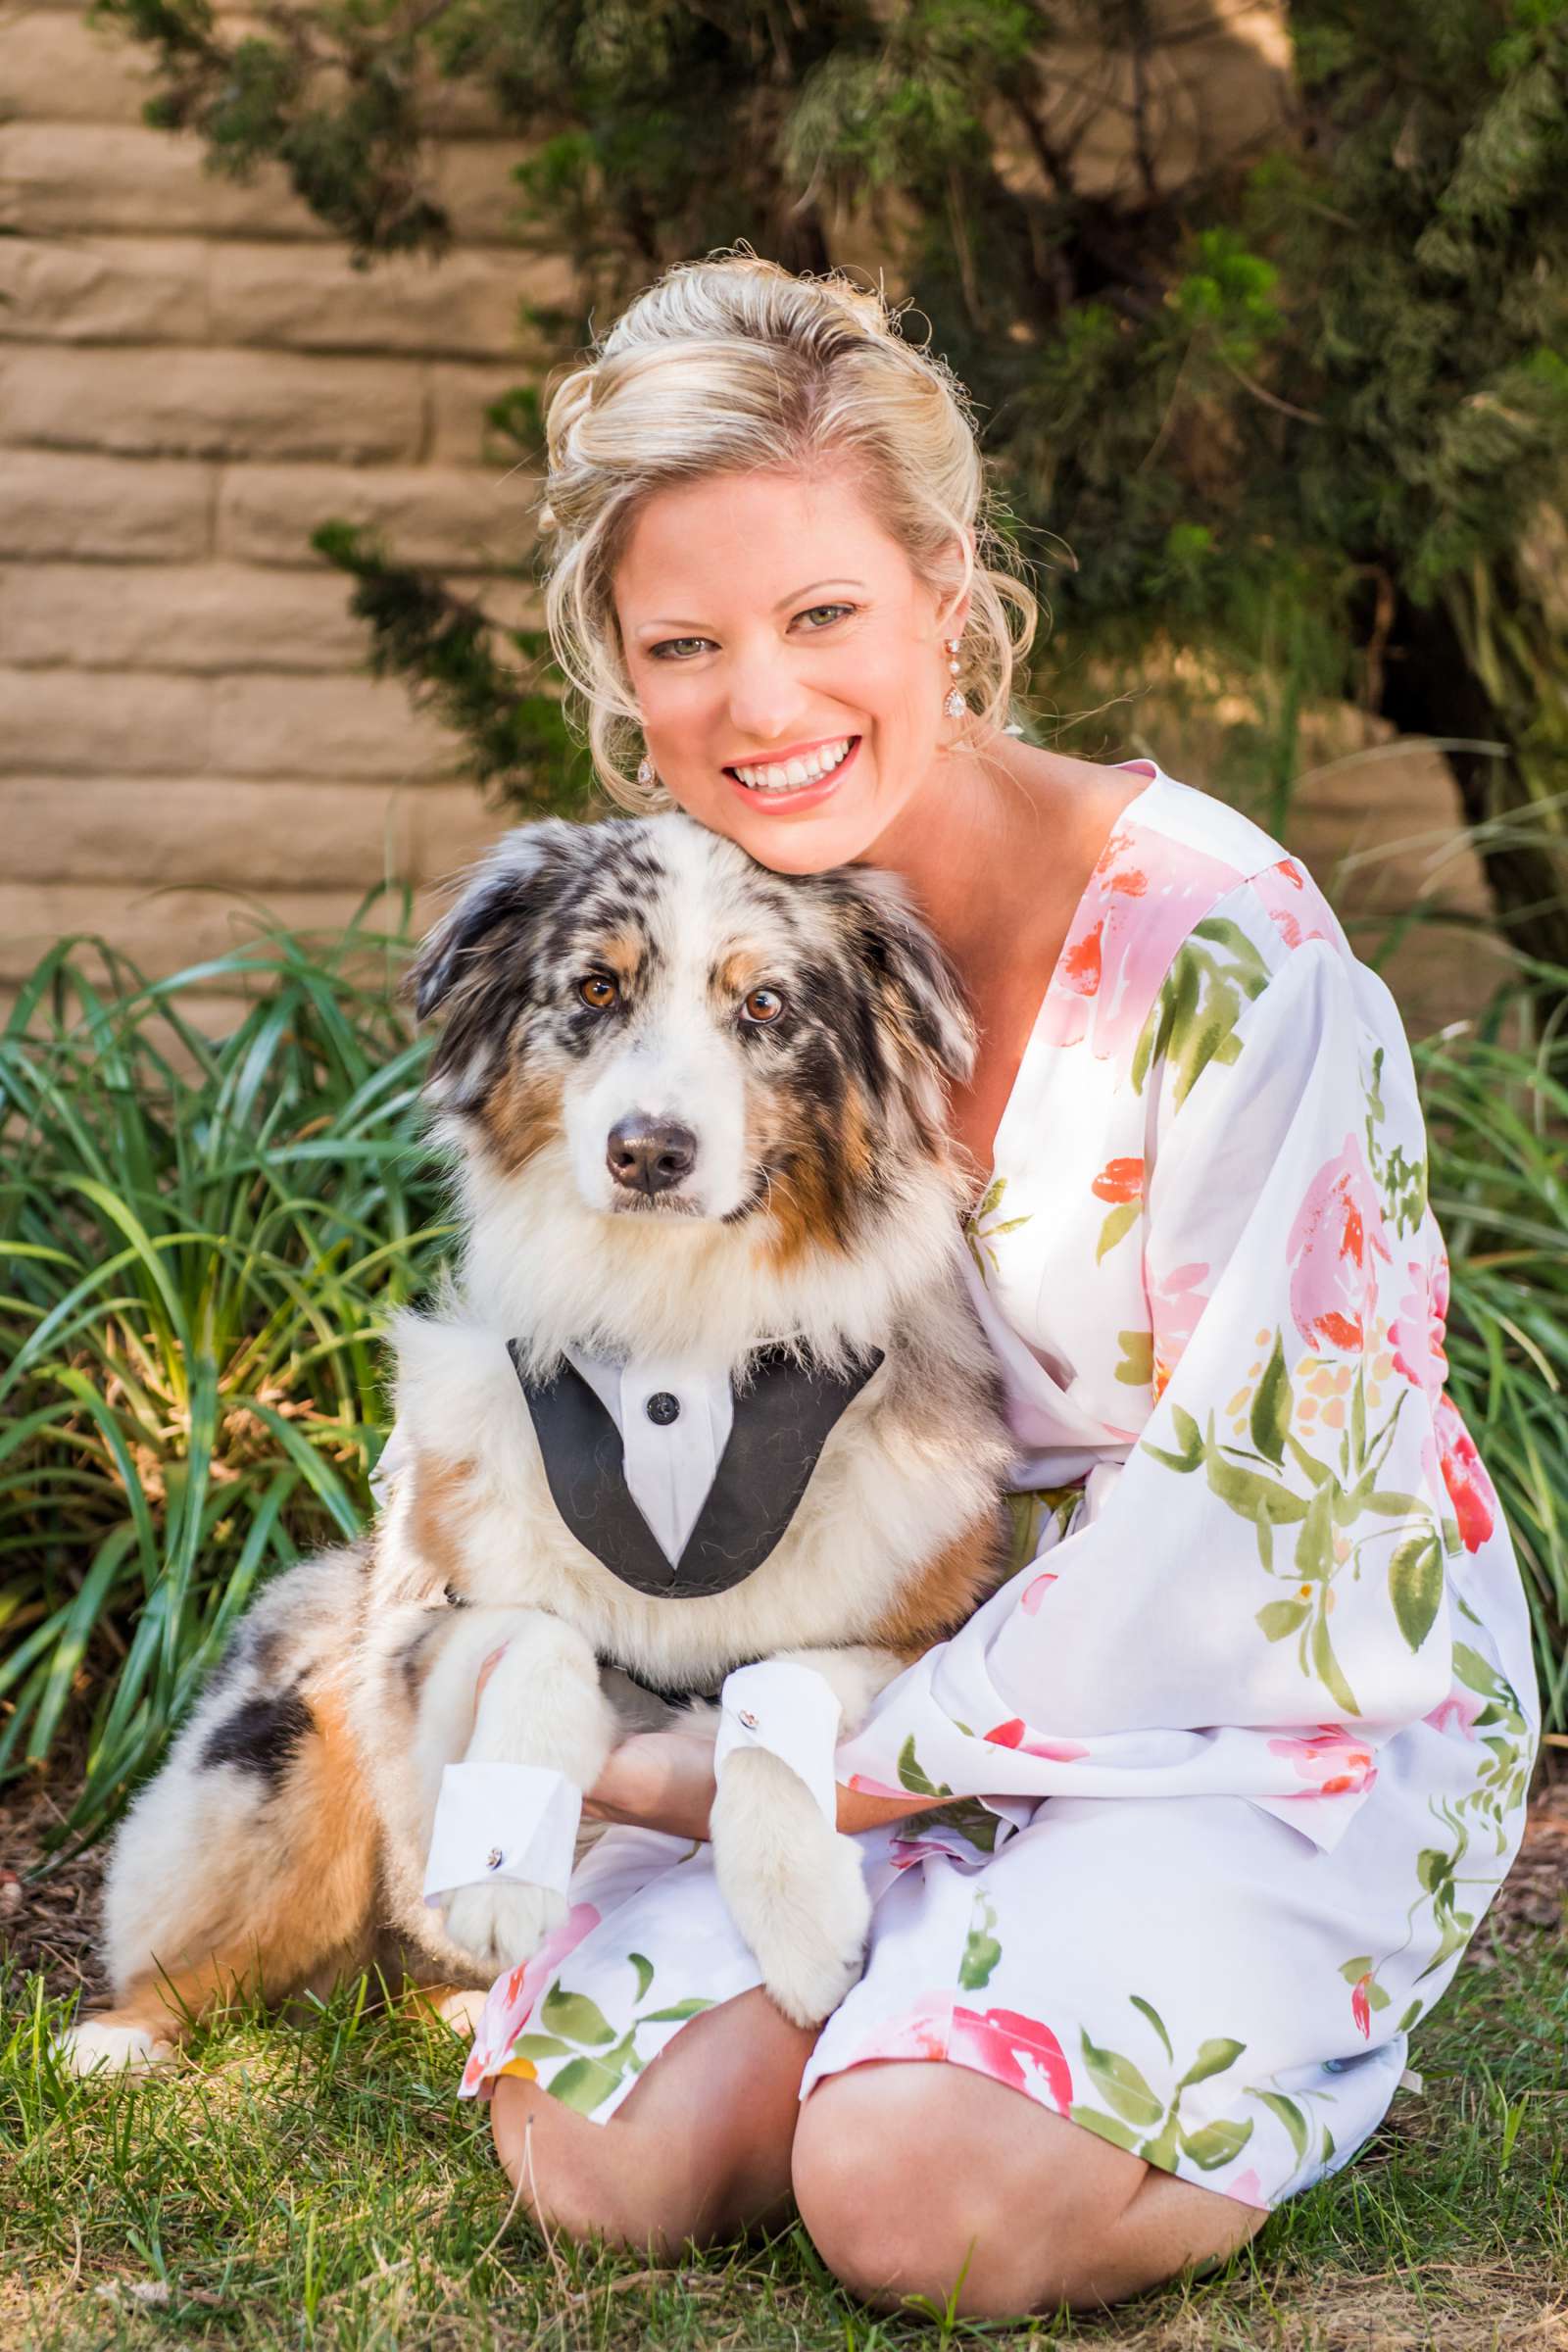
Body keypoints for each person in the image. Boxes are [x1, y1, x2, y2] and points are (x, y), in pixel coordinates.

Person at [450, 254, 1538, 2318]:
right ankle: (930, 1961)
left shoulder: (1229, 951)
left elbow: (1262, 1518)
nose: (761, 708)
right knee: (615, 2158)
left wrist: (801, 1781)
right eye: (686, 645)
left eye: (822, 615)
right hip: (839, 1660)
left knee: (902, 2193)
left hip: (1244, 1672)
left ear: (947, 592)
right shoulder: (677, 949)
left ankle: (1209, 2005)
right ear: (619, 669)